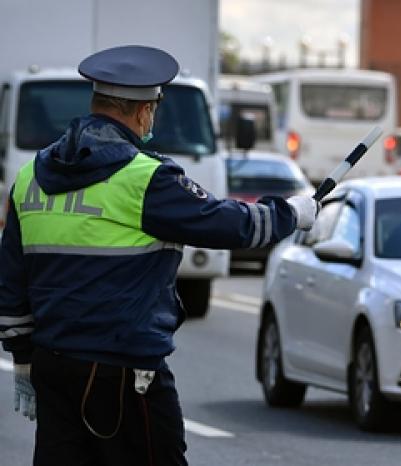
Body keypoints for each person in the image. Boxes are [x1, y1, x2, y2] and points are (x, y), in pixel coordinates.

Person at [0, 45, 318, 466]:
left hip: (52, 369)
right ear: (142, 112)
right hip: (124, 375)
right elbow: (228, 223)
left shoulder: (30, 177)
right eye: (153, 109)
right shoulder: (144, 178)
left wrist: (22, 358)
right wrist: (291, 213)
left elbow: (10, 283)